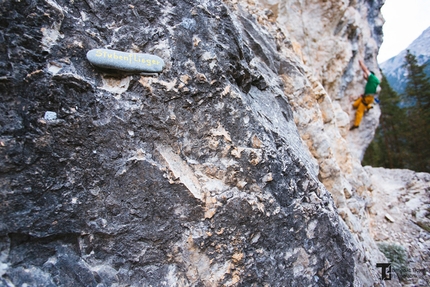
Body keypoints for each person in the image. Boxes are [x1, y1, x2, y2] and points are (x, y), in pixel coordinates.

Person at [350, 59, 380, 130]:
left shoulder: (372, 77)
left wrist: (361, 63)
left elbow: (365, 69)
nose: (364, 76)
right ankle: (368, 106)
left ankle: (356, 124)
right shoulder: (373, 81)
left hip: (368, 98)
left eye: (365, 75)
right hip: (368, 97)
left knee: (359, 111)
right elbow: (370, 89)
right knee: (355, 105)